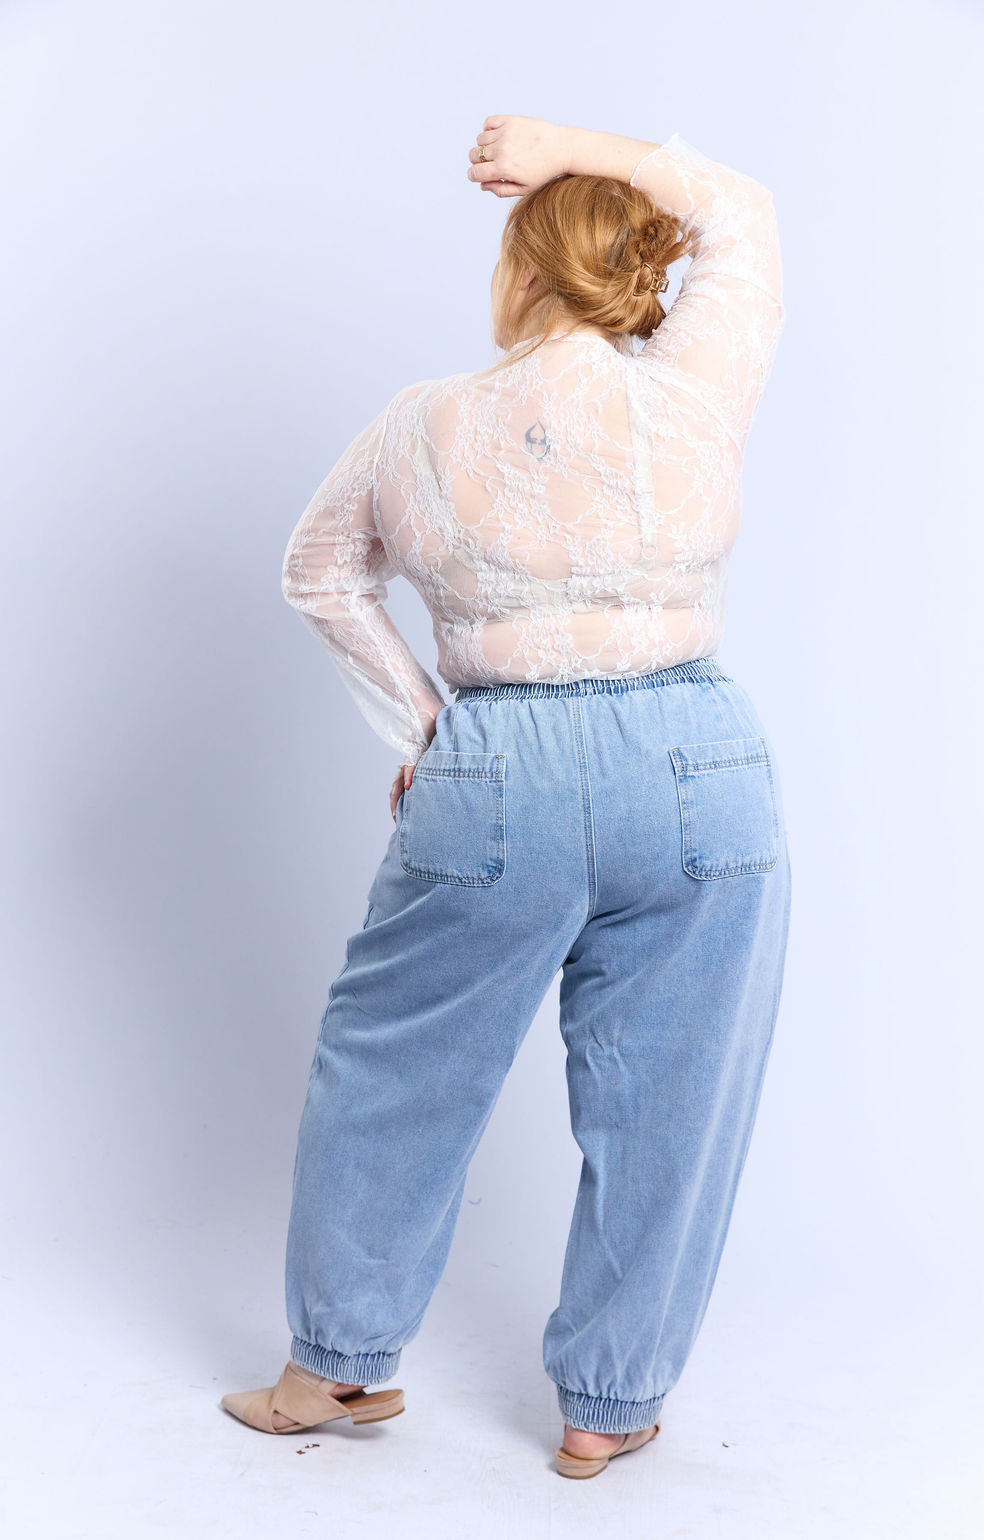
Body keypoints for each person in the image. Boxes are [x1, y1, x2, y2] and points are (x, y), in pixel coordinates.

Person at [220, 114, 792, 1482]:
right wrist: (573, 144)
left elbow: (317, 571)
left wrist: (430, 728)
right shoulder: (695, 388)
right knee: (672, 1094)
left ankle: (335, 1367)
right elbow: (743, 212)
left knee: (393, 1062)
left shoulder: (422, 423)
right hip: (698, 762)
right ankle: (610, 1403)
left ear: (522, 272)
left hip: (500, 762)